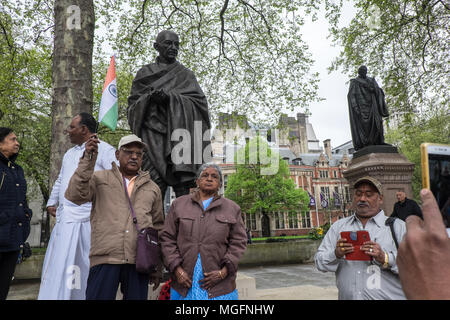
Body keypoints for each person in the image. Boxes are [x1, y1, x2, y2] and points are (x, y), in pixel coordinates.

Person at [65, 134, 164, 300]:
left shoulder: (153, 188)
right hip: (105, 258)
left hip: (138, 261)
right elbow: (75, 195)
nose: (134, 156)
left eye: (139, 154)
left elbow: (158, 229)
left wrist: (157, 267)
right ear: (117, 155)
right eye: (128, 152)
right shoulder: (99, 178)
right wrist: (87, 160)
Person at [38, 113, 117, 300]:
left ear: (84, 130)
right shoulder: (69, 153)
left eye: (72, 127)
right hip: (64, 221)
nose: (68, 131)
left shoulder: (105, 150)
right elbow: (61, 178)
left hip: (86, 222)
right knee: (60, 267)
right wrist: (52, 201)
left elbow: (116, 180)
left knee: (81, 268)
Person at [127, 30, 211, 200]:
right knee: (151, 190)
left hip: (181, 140)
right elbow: (132, 107)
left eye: (176, 44)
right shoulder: (145, 74)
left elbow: (200, 105)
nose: (173, 47)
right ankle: (152, 227)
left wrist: (170, 99)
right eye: (168, 43)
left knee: (185, 195)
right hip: (153, 138)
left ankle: (186, 225)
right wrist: (150, 99)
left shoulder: (186, 75)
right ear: (156, 46)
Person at [160, 163, 247, 300]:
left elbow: (239, 243)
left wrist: (223, 273)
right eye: (205, 175)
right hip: (184, 282)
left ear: (219, 184)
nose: (209, 179)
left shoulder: (232, 208)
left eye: (214, 177)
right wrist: (177, 270)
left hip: (220, 286)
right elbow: (167, 239)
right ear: (197, 182)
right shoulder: (179, 205)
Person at [315, 176, 406, 300]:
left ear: (380, 199)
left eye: (369, 195)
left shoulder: (398, 227)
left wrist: (384, 257)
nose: (362, 199)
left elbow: (415, 266)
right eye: (358, 194)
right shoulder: (339, 227)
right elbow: (320, 262)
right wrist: (336, 254)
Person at [397, 189, 450, 299]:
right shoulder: (396, 206)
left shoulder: (412, 204)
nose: (398, 197)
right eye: (397, 195)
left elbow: (420, 214)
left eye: (399, 195)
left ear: (404, 194)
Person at [0, 128, 32, 300]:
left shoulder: (17, 170)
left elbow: (22, 200)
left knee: (3, 289)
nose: (17, 142)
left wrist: (27, 215)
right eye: (12, 139)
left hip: (13, 241)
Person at [347, 65, 389, 151]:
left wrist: (374, 89)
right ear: (359, 72)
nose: (364, 73)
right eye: (363, 72)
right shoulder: (355, 82)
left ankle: (379, 141)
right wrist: (355, 108)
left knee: (378, 122)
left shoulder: (371, 80)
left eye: (365, 71)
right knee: (366, 127)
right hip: (362, 109)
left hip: (373, 107)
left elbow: (378, 90)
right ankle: (367, 143)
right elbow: (351, 96)